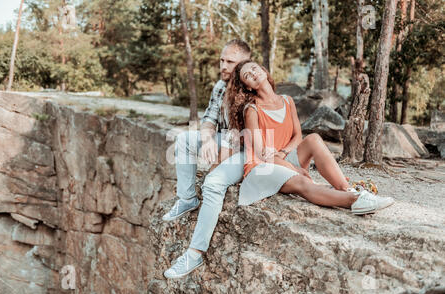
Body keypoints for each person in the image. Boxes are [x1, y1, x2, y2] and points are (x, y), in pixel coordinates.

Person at [226, 60, 394, 213]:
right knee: (302, 182)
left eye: (254, 68)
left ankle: (347, 189)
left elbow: (298, 136)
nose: (253, 73)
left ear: (263, 70)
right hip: (264, 167)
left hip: (282, 158)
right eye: (247, 75)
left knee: (313, 138)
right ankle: (355, 201)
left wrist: (284, 153)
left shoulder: (287, 100)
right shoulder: (252, 110)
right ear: (247, 87)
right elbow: (261, 154)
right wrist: (294, 169)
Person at [162, 39, 251, 279]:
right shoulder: (220, 86)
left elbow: (244, 135)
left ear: (244, 63)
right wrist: (209, 139)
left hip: (249, 148)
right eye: (222, 60)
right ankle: (187, 198)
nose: (223, 65)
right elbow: (209, 119)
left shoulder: (252, 89)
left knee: (213, 183)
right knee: (183, 140)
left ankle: (195, 253)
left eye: (230, 61)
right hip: (225, 139)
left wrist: (218, 160)